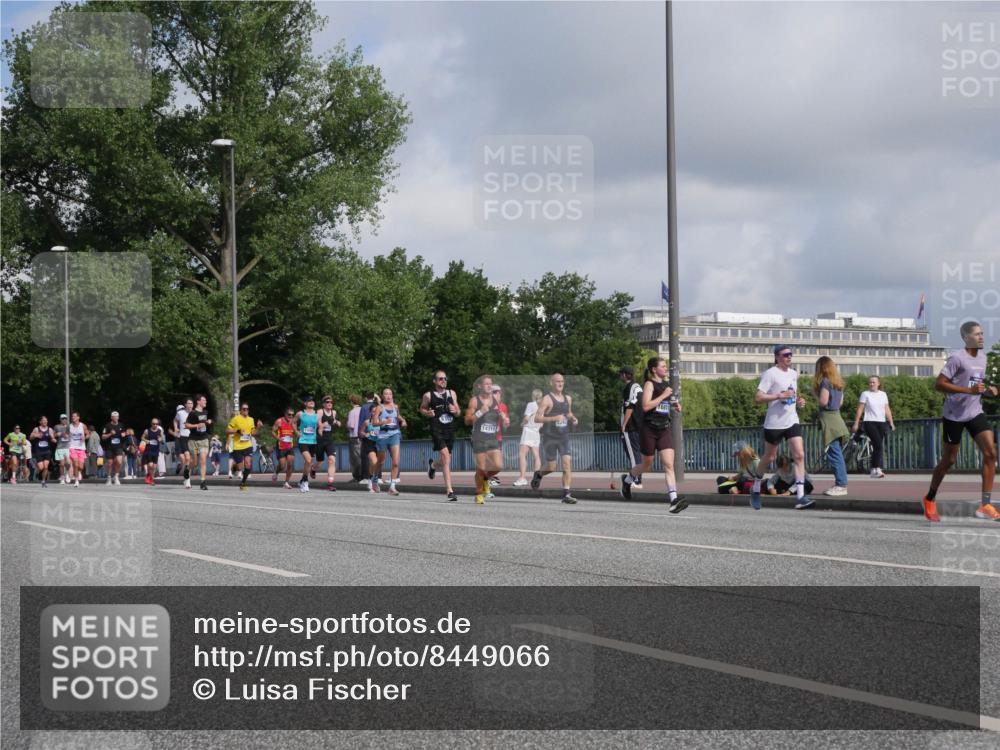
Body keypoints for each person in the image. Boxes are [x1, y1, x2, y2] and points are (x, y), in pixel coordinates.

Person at [921, 321, 999, 523]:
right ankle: (930, 498)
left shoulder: (982, 358)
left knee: (991, 453)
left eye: (982, 333)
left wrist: (988, 391)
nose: (981, 337)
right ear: (966, 338)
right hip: (954, 415)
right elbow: (939, 384)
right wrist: (969, 391)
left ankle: (985, 505)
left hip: (975, 412)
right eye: (977, 334)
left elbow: (975, 384)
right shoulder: (957, 358)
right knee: (949, 460)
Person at [619, 358, 687, 512]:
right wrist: (663, 396)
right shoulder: (649, 384)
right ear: (654, 369)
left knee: (669, 465)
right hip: (649, 429)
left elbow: (664, 403)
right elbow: (646, 406)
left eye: (666, 366)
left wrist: (674, 404)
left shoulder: (666, 385)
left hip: (664, 429)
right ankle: (628, 480)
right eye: (663, 366)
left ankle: (673, 500)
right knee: (646, 465)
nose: (666, 368)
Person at [749, 345, 810, 510]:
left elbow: (792, 394)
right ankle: (755, 489)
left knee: (799, 455)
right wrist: (778, 395)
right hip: (774, 423)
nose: (789, 357)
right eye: (785, 355)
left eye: (791, 354)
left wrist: (799, 401)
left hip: (791, 420)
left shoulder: (793, 374)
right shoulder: (770, 373)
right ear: (777, 357)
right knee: (769, 457)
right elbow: (758, 397)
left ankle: (800, 496)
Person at [530, 373, 579, 504]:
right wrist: (553, 418)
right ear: (551, 383)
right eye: (557, 381)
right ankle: (539, 474)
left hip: (564, 436)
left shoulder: (568, 398)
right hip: (549, 437)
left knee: (567, 464)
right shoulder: (547, 399)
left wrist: (573, 418)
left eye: (562, 381)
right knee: (551, 467)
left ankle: (566, 494)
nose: (560, 384)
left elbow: (568, 412)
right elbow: (537, 418)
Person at [465, 374, 509, 504]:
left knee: (498, 466)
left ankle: (484, 480)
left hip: (492, 439)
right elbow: (467, 420)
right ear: (479, 386)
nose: (490, 386)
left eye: (491, 383)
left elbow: (502, 417)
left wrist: (505, 420)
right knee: (481, 468)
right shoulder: (475, 401)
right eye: (486, 384)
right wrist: (480, 412)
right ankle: (478, 494)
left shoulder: (496, 400)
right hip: (479, 438)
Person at [420, 371, 460, 502]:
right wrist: (428, 413)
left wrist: (456, 410)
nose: (444, 380)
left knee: (446, 460)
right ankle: (450, 491)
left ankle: (432, 466)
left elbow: (458, 412)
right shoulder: (428, 395)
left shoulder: (451, 393)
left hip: (449, 429)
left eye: (445, 378)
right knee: (446, 457)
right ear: (435, 381)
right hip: (437, 429)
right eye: (440, 379)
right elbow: (422, 409)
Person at [814, 356, 849, 497]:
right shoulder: (838, 383)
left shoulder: (825, 382)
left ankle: (841, 485)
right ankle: (840, 484)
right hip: (838, 420)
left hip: (829, 422)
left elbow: (823, 402)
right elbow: (840, 403)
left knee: (835, 455)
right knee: (837, 454)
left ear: (821, 368)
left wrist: (814, 394)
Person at [852, 375, 895, 478]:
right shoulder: (865, 394)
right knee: (878, 445)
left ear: (878, 383)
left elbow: (887, 409)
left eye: (873, 382)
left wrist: (891, 422)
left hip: (881, 422)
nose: (871, 384)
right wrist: (856, 422)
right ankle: (876, 468)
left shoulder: (883, 394)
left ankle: (874, 470)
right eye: (870, 382)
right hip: (869, 422)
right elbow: (860, 409)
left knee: (877, 447)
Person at [371, 388, 406, 496]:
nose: (388, 396)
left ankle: (392, 487)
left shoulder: (395, 406)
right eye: (386, 394)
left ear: (392, 395)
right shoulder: (379, 408)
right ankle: (374, 479)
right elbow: (374, 422)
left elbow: (397, 416)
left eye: (390, 394)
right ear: (382, 396)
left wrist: (403, 420)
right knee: (381, 461)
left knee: (395, 462)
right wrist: (384, 422)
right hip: (382, 436)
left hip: (394, 434)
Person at [226, 402, 262, 491]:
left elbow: (253, 433)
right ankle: (234, 468)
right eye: (244, 409)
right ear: (241, 410)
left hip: (247, 445)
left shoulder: (251, 419)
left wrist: (258, 427)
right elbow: (227, 430)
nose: (246, 411)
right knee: (240, 467)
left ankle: (243, 483)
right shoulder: (236, 419)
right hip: (237, 446)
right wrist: (236, 430)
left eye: (247, 409)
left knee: (248, 464)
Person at [619, 367, 644, 489]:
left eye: (621, 374)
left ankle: (636, 480)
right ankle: (636, 478)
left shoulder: (629, 388)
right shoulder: (638, 387)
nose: (620, 377)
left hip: (631, 426)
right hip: (639, 425)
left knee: (633, 454)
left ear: (624, 375)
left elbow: (629, 407)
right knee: (637, 453)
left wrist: (624, 424)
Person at [514, 389, 543, 487]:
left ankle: (522, 478)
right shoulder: (542, 407)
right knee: (536, 456)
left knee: (522, 454)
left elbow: (526, 418)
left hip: (528, 431)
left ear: (533, 396)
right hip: (536, 432)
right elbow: (542, 423)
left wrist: (522, 424)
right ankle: (536, 478)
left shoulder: (531, 404)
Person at [185, 394, 213, 490]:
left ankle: (203, 482)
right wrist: (197, 425)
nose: (205, 402)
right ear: (198, 401)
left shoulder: (205, 412)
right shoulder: (193, 413)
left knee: (203, 460)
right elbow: (187, 425)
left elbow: (206, 422)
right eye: (204, 400)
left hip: (204, 439)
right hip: (193, 440)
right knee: (195, 463)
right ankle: (187, 470)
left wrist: (209, 422)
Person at [315, 396, 341, 491]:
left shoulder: (334, 412)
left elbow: (335, 422)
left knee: (332, 460)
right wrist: (323, 424)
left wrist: (337, 422)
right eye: (327, 402)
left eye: (331, 402)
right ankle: (313, 469)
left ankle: (330, 483)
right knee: (320, 462)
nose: (329, 403)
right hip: (320, 439)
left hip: (329, 440)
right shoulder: (320, 412)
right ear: (323, 404)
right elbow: (318, 425)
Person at [294, 396, 319, 492]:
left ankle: (302, 480)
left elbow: (321, 425)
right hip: (303, 441)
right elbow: (293, 422)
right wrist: (296, 432)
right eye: (309, 401)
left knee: (308, 463)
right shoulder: (301, 413)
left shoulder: (317, 415)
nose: (312, 402)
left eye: (313, 401)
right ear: (305, 403)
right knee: (308, 461)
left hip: (313, 441)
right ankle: (305, 482)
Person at [272, 408, 298, 489]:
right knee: (282, 466)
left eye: (292, 415)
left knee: (290, 464)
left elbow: (296, 433)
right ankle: (276, 472)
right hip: (281, 446)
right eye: (289, 414)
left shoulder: (293, 422)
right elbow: (272, 431)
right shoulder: (279, 421)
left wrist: (296, 432)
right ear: (285, 414)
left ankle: (286, 482)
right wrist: (278, 438)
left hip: (290, 446)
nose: (290, 416)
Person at [171, 399, 194, 488]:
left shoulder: (195, 413)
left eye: (192, 403)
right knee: (187, 459)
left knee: (192, 461)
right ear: (185, 405)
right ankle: (188, 481)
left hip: (193, 438)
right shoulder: (180, 413)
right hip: (183, 437)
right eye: (188, 403)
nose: (190, 405)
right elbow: (175, 420)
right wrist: (176, 428)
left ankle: (186, 478)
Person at [101, 411, 127, 485]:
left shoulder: (121, 425)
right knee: (110, 463)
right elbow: (103, 437)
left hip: (118, 447)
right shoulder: (107, 426)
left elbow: (124, 434)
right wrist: (110, 434)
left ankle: (116, 476)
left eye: (117, 416)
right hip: (109, 447)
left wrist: (124, 434)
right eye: (114, 416)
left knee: (119, 461)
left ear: (118, 417)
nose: (116, 418)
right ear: (111, 417)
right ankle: (109, 478)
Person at [29, 417, 55, 488]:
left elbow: (53, 438)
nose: (45, 422)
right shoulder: (36, 429)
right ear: (40, 422)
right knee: (41, 467)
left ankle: (43, 481)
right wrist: (35, 435)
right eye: (43, 421)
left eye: (46, 420)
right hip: (39, 451)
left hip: (47, 451)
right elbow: (30, 437)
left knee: (46, 467)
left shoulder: (50, 429)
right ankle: (37, 472)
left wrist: (53, 439)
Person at [140, 418, 165, 486]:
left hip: (156, 450)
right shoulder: (147, 431)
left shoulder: (160, 431)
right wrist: (146, 440)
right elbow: (142, 437)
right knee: (150, 465)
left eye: (156, 424)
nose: (155, 425)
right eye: (154, 424)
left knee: (154, 467)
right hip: (149, 450)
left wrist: (160, 439)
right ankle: (152, 479)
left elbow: (162, 439)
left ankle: (149, 476)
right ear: (151, 424)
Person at [67, 413, 88, 487]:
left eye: (75, 416)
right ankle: (76, 480)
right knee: (75, 464)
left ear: (78, 417)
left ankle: (78, 472)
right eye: (72, 416)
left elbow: (88, 434)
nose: (73, 417)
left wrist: (84, 438)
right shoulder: (69, 426)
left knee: (81, 467)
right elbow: (66, 435)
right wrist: (67, 436)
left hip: (81, 448)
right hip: (72, 447)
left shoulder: (83, 425)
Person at [346, 394, 363, 482]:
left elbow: (351, 425)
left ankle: (357, 476)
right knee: (362, 456)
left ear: (351, 401)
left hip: (354, 437)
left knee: (355, 458)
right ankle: (365, 475)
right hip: (363, 436)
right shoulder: (363, 410)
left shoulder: (352, 412)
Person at [53, 414, 72, 484]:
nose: (64, 420)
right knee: (61, 464)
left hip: (68, 447)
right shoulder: (57, 426)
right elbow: (53, 435)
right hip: (60, 447)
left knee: (68, 463)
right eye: (62, 419)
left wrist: (68, 435)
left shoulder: (69, 426)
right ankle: (62, 477)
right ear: (60, 419)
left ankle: (67, 474)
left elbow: (72, 434)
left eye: (65, 418)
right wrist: (56, 435)